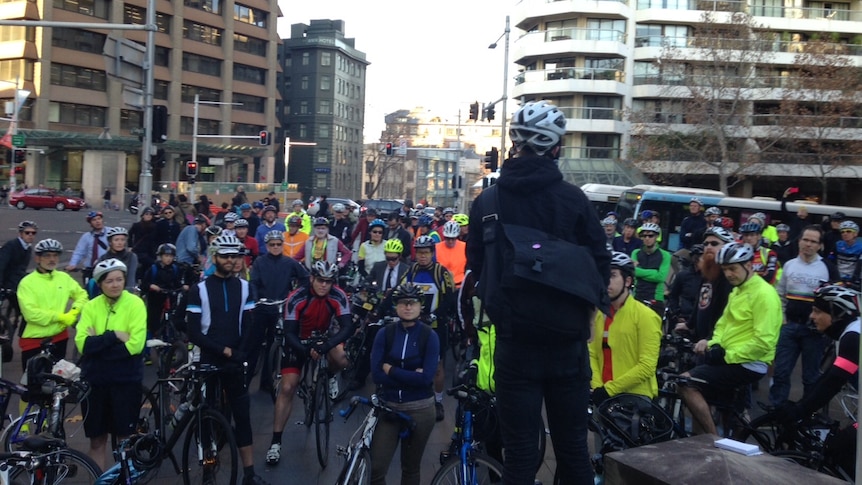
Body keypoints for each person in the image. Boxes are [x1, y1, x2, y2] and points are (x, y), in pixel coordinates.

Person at [467, 100, 610, 484]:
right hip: (568, 346)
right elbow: (601, 264)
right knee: (573, 451)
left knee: (520, 455)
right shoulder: (575, 200)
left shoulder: (488, 203)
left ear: (514, 144)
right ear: (556, 147)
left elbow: (478, 268)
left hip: (515, 346)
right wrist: (588, 316)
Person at [185, 235, 269, 485]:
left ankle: (250, 473)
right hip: (209, 358)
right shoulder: (199, 289)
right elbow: (194, 332)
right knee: (208, 418)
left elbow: (251, 325)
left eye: (235, 256)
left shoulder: (245, 287)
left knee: (242, 416)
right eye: (225, 256)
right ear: (215, 257)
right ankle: (208, 468)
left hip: (235, 360)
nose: (231, 260)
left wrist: (240, 353)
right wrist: (226, 351)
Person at [678, 242, 782, 435]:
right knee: (717, 406)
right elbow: (722, 326)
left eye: (733, 269)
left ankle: (711, 441)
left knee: (686, 383)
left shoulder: (764, 295)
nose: (728, 274)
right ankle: (708, 442)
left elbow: (763, 342)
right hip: (733, 358)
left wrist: (726, 356)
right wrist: (714, 345)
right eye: (725, 270)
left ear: (749, 266)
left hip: (749, 363)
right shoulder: (738, 291)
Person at [265, 261, 353, 466]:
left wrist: (328, 345)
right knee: (287, 387)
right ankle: (276, 442)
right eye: (320, 280)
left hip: (324, 336)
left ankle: (330, 375)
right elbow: (289, 331)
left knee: (342, 359)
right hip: (298, 339)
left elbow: (347, 327)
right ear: (312, 278)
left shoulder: (338, 295)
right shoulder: (296, 296)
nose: (324, 285)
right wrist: (306, 350)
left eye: (328, 282)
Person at [774, 284, 858, 480]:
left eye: (818, 311)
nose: (812, 316)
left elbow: (834, 381)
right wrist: (801, 406)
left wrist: (800, 410)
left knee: (839, 446)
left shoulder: (854, 336)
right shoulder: (850, 333)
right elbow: (827, 377)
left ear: (837, 314)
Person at [75, 259, 146, 470]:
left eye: (119, 280)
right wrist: (114, 335)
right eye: (109, 281)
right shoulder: (90, 306)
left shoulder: (135, 304)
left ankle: (125, 479)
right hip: (95, 382)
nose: (115, 285)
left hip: (125, 382)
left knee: (125, 439)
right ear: (100, 284)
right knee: (97, 441)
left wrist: (98, 344)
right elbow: (82, 344)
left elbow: (135, 345)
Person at [369, 283, 439, 485]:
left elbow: (426, 379)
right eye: (403, 303)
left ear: (420, 306)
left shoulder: (429, 336)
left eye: (412, 303)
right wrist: (412, 375)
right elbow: (376, 375)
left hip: (421, 410)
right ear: (396, 306)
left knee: (410, 469)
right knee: (376, 468)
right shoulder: (385, 333)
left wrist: (391, 369)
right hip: (389, 407)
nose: (408, 307)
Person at [770, 225, 839, 406]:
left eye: (813, 241)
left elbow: (835, 302)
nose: (808, 244)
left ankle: (808, 416)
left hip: (814, 333)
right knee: (781, 373)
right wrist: (782, 318)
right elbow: (780, 294)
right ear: (799, 241)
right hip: (789, 327)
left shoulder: (828, 268)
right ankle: (776, 413)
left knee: (810, 377)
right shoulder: (789, 265)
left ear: (820, 246)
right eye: (805, 240)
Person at [589, 252, 662, 403]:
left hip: (635, 397)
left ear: (628, 281)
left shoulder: (646, 316)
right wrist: (597, 387)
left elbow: (647, 366)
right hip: (601, 395)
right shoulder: (599, 314)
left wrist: (610, 389)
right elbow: (591, 354)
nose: (606, 281)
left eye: (612, 275)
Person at [400, 235, 455, 422]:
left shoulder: (441, 272)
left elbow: (449, 299)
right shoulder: (412, 270)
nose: (422, 256)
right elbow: (398, 290)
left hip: (436, 327)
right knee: (412, 361)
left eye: (426, 253)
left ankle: (438, 401)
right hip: (414, 325)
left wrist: (436, 314)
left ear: (432, 253)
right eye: (419, 253)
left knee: (437, 367)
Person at [249, 230, 308, 391]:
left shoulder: (289, 263)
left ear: (283, 245)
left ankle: (267, 382)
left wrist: (296, 295)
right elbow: (253, 282)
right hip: (262, 307)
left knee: (272, 346)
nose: (275, 247)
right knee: (253, 346)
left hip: (280, 308)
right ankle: (245, 380)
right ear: (267, 246)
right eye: (272, 244)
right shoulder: (260, 262)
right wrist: (254, 300)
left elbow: (305, 278)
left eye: (278, 244)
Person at [17, 239, 88, 367]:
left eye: (55, 255)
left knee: (57, 381)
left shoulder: (63, 278)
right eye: (47, 255)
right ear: (37, 259)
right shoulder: (27, 282)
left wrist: (74, 311)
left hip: (59, 337)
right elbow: (31, 314)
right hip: (34, 340)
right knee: (33, 383)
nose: (52, 259)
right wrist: (60, 317)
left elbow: (82, 295)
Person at [680, 228, 735, 342]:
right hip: (700, 339)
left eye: (714, 244)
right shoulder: (707, 272)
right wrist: (689, 324)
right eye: (706, 244)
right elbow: (699, 302)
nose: (708, 247)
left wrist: (710, 338)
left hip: (716, 342)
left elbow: (726, 314)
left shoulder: (729, 277)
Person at [632, 222, 672, 316]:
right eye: (644, 236)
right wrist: (654, 272)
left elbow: (660, 277)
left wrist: (639, 271)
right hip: (637, 296)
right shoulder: (636, 253)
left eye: (650, 236)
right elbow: (632, 271)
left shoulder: (665, 255)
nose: (647, 238)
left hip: (656, 298)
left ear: (656, 237)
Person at [0, 221, 38, 318]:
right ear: (20, 234)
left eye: (33, 233)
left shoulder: (28, 248)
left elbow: (21, 269)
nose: (30, 235)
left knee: (23, 307)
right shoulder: (11, 245)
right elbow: (1, 265)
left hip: (15, 282)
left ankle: (14, 325)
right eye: (27, 233)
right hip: (6, 282)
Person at [667, 244, 704, 330]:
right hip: (683, 317)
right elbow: (673, 295)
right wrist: (677, 313)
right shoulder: (683, 275)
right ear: (696, 260)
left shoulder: (709, 277)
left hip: (701, 319)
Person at [93, 227, 139, 295]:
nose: (120, 243)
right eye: (116, 240)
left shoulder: (131, 256)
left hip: (125, 293)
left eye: (122, 240)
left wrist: (128, 293)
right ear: (110, 242)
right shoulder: (103, 258)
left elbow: (131, 279)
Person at [739, 221, 780, 285]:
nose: (749, 238)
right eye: (746, 235)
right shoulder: (738, 253)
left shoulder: (769, 253)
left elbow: (770, 277)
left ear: (759, 236)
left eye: (752, 235)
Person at [128, 207, 159, 282]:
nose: (148, 216)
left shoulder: (155, 226)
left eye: (150, 214)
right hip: (139, 250)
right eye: (146, 214)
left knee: (148, 268)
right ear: (142, 215)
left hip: (151, 251)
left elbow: (156, 238)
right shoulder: (137, 225)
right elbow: (130, 234)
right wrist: (130, 246)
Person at [435, 221, 467, 289]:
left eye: (453, 238)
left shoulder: (465, 247)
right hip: (442, 286)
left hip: (460, 286)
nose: (450, 241)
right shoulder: (436, 248)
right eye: (448, 238)